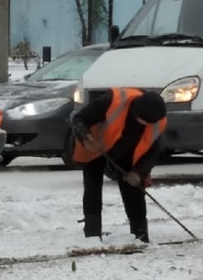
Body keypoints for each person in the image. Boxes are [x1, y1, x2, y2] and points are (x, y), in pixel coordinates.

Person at [71, 88, 168, 243]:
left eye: (148, 122)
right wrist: (86, 137)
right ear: (135, 111)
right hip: (96, 147)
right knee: (93, 187)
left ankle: (140, 234)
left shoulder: (157, 120)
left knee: (134, 188)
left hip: (126, 151)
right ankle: (92, 234)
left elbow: (152, 153)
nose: (145, 125)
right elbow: (79, 119)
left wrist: (138, 172)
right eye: (142, 121)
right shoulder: (113, 100)